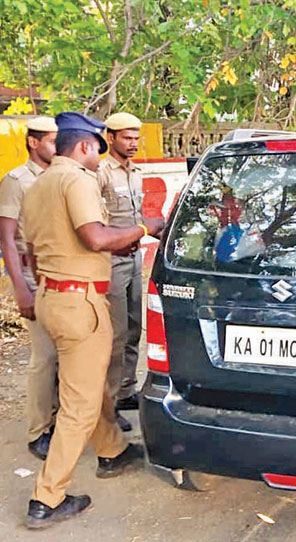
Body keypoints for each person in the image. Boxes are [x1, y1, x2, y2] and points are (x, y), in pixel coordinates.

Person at [21, 112, 164, 529]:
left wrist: (98, 253)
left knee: (88, 382)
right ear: (85, 147)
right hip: (79, 302)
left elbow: (35, 250)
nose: (97, 158)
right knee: (79, 405)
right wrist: (141, 229)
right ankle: (46, 498)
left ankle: (113, 450)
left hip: (51, 294)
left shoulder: (38, 183)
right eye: (95, 150)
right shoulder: (78, 180)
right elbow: (95, 236)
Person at [0, 117, 59, 460]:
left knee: (65, 357)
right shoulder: (16, 181)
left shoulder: (60, 177)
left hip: (57, 273)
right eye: (51, 141)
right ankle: (39, 430)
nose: (56, 146)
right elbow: (7, 239)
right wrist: (21, 290)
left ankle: (60, 419)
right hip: (32, 278)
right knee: (44, 357)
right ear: (33, 143)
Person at [97, 112, 148, 432]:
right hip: (111, 261)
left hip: (134, 260)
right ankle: (109, 403)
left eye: (136, 138)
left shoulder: (136, 173)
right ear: (111, 137)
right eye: (126, 138)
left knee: (134, 329)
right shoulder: (99, 173)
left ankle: (126, 391)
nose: (132, 144)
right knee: (114, 336)